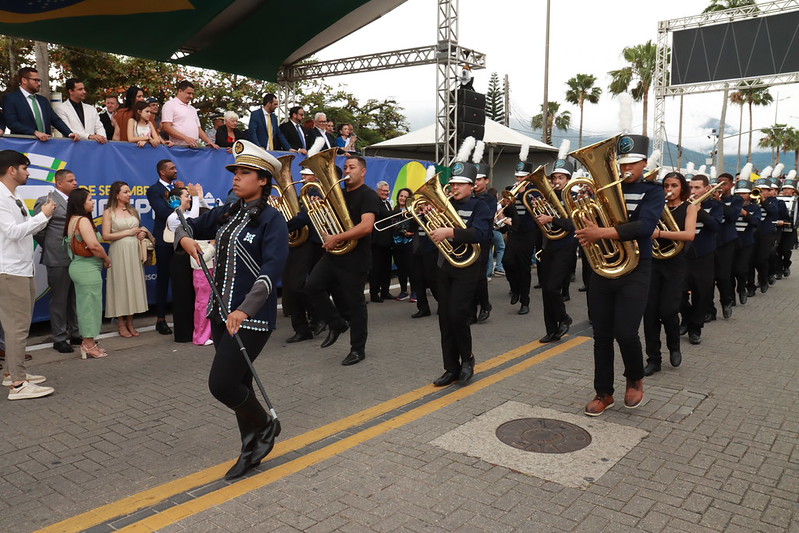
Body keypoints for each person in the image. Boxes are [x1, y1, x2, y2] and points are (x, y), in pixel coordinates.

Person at [175, 139, 288, 480]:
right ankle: (250, 449)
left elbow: (272, 270)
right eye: (235, 172)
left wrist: (246, 309)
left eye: (245, 172)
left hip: (250, 319)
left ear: (263, 179)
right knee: (240, 384)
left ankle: (266, 424)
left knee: (222, 385)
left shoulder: (272, 221)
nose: (236, 178)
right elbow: (184, 223)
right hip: (219, 314)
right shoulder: (228, 212)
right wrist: (184, 238)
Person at [577, 134, 664, 417]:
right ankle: (603, 393)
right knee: (601, 335)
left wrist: (601, 232)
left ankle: (634, 378)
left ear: (644, 163)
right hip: (604, 267)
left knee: (626, 332)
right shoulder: (600, 189)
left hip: (637, 268)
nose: (626, 168)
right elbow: (583, 222)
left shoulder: (653, 191)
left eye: (632, 163)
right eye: (621, 163)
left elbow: (646, 226)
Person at [305, 155, 381, 366]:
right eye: (346, 167)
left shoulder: (368, 196)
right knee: (312, 286)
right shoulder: (338, 193)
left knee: (355, 304)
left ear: (363, 171)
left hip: (356, 258)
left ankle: (358, 349)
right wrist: (319, 207)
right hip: (335, 254)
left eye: (352, 167)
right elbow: (328, 223)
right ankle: (336, 322)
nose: (348, 170)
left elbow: (366, 227)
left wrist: (336, 237)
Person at [429, 162, 492, 387]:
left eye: (460, 184)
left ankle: (467, 359)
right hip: (445, 265)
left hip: (468, 269)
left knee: (458, 315)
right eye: (453, 183)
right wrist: (429, 215)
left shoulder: (480, 206)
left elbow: (483, 234)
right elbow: (433, 229)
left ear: (471, 186)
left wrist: (451, 232)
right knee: (444, 319)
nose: (454, 187)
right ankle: (450, 367)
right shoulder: (444, 204)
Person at [0, 150, 57, 400]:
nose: (28, 172)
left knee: (18, 326)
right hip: (10, 270)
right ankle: (18, 385)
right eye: (25, 168)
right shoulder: (1, 197)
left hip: (23, 268)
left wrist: (43, 216)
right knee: (17, 329)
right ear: (12, 170)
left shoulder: (15, 195)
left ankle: (10, 374)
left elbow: (27, 228)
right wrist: (43, 216)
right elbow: (12, 232)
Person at [643, 172, 697, 376]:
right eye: (666, 185)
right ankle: (653, 359)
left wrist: (659, 233)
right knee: (649, 314)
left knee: (668, 311)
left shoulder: (689, 207)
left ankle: (674, 347)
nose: (669, 189)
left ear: (682, 187)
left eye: (674, 185)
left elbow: (689, 234)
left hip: (675, 263)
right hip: (653, 261)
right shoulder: (656, 206)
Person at [34, 169, 82, 354]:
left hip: (76, 257)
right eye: (71, 180)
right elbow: (39, 229)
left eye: (75, 179)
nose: (75, 182)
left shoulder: (76, 201)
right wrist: (51, 246)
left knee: (74, 297)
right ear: (59, 183)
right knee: (60, 299)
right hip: (57, 257)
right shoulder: (47, 201)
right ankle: (59, 338)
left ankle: (75, 332)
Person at [535, 159, 578, 342]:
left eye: (560, 177)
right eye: (554, 178)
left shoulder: (574, 199)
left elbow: (574, 224)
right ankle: (551, 330)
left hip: (565, 247)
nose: (556, 181)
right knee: (546, 290)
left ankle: (564, 318)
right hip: (549, 246)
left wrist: (551, 219)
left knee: (553, 287)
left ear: (568, 179)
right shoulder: (548, 196)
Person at [66, 188, 111, 359]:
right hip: (87, 268)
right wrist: (106, 259)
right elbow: (94, 246)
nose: (93, 202)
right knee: (90, 307)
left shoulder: (72, 220)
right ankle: (88, 344)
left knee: (86, 306)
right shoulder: (82, 221)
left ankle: (89, 342)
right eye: (90, 199)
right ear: (80, 202)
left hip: (79, 266)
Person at [103, 181, 151, 337]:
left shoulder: (133, 211)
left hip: (134, 251)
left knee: (133, 284)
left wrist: (140, 234)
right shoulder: (109, 212)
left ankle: (131, 322)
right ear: (117, 194)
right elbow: (106, 235)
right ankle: (121, 323)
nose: (129, 194)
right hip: (118, 251)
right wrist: (128, 232)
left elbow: (137, 230)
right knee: (121, 285)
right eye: (125, 192)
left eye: (129, 191)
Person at [283, 167, 325, 343]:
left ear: (315, 175)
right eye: (301, 174)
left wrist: (283, 227)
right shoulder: (303, 191)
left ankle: (317, 318)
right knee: (294, 285)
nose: (302, 177)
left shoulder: (314, 191)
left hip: (310, 241)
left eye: (306, 174)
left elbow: (307, 215)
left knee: (298, 285)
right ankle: (305, 325)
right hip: (299, 242)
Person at [165, 186, 212, 343]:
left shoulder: (186, 213)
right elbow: (192, 221)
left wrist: (200, 197)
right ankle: (184, 334)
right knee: (183, 299)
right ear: (177, 200)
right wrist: (197, 197)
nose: (190, 199)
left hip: (190, 260)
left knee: (195, 299)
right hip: (180, 259)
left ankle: (197, 331)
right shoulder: (174, 217)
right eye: (187, 196)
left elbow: (206, 213)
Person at [146, 160, 181, 334]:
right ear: (162, 172)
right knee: (163, 279)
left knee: (181, 279)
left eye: (175, 168)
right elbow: (163, 212)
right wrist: (179, 201)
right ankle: (161, 319)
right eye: (172, 168)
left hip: (181, 239)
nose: (176, 171)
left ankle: (182, 316)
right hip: (164, 240)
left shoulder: (178, 188)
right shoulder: (154, 190)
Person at [4, 67, 78, 142]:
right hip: (24, 147)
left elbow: (55, 120)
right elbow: (12, 123)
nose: (39, 83)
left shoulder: (43, 100)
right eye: (35, 80)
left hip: (44, 146)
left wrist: (69, 133)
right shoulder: (11, 99)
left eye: (39, 80)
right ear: (24, 80)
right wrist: (34, 132)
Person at [502, 161, 538, 315]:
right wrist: (508, 206)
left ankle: (525, 301)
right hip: (515, 231)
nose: (518, 180)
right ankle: (515, 289)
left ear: (529, 177)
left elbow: (536, 213)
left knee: (524, 267)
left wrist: (527, 198)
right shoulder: (512, 191)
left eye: (522, 177)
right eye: (517, 176)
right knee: (507, 261)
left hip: (529, 233)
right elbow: (510, 213)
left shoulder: (535, 192)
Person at [710, 173, 742, 320]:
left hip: (727, 242)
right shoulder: (710, 199)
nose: (721, 186)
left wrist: (720, 202)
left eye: (724, 184)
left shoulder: (737, 199)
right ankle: (709, 310)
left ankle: (726, 301)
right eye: (719, 183)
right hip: (711, 241)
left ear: (731, 185)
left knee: (723, 276)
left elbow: (732, 217)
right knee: (708, 278)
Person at [161, 80, 219, 149]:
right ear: (180, 91)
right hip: (177, 148)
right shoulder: (170, 105)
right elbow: (167, 127)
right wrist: (186, 138)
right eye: (188, 93)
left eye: (192, 94)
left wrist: (209, 141)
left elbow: (199, 129)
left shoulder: (192, 109)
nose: (191, 96)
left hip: (194, 149)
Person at [472, 163, 495, 323]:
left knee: (479, 276)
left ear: (486, 181)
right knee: (469, 277)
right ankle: (471, 310)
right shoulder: (468, 197)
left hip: (483, 241)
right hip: (466, 240)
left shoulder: (490, 199)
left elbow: (487, 215)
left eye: (479, 179)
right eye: (473, 179)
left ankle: (485, 305)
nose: (476, 182)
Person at [732, 177, 761, 304]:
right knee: (729, 271)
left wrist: (744, 213)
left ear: (749, 194)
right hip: (731, 242)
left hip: (746, 242)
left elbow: (755, 222)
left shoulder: (755, 208)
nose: (740, 196)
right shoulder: (730, 207)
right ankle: (730, 297)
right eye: (738, 193)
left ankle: (742, 288)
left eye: (743, 193)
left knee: (741, 269)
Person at [54, 78, 107, 143]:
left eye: (84, 89)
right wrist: (89, 136)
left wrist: (102, 138)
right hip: (73, 147)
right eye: (80, 89)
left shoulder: (91, 109)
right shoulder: (61, 109)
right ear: (71, 91)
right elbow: (67, 129)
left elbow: (99, 127)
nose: (84, 92)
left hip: (93, 148)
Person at [369, 181, 394, 302]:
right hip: (377, 242)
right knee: (376, 269)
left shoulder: (388, 203)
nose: (385, 193)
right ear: (378, 191)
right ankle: (374, 293)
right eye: (383, 191)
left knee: (386, 269)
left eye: (387, 191)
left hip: (387, 242)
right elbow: (386, 215)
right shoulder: (376, 202)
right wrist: (402, 211)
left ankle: (385, 291)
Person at [391, 188, 415, 301]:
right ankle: (403, 291)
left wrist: (411, 233)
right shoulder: (394, 209)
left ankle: (415, 291)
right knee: (401, 269)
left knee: (411, 268)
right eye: (401, 196)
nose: (402, 198)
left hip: (409, 244)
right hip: (396, 244)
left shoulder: (412, 210)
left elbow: (416, 225)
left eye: (405, 197)